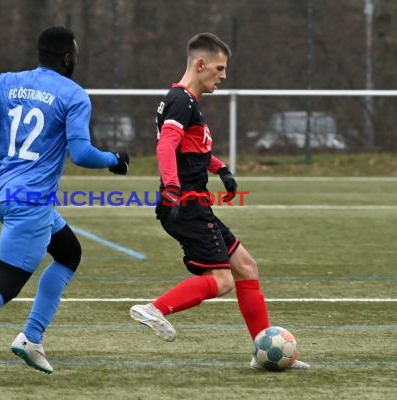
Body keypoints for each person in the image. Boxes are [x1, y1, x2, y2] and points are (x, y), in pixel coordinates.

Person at [0, 26, 130, 388]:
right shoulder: (74, 94)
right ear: (67, 57)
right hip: (29, 203)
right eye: (74, 53)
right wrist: (114, 159)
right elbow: (80, 153)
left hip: (5, 194)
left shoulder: (7, 81)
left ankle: (31, 338)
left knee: (68, 253)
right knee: (8, 282)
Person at [128, 32, 309, 370]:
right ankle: (154, 309)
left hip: (194, 203)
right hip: (185, 204)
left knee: (245, 267)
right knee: (224, 280)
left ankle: (260, 353)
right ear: (200, 64)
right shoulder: (181, 100)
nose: (223, 76)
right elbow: (166, 146)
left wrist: (221, 168)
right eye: (219, 68)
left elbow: (192, 150)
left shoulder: (186, 102)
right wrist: (171, 187)